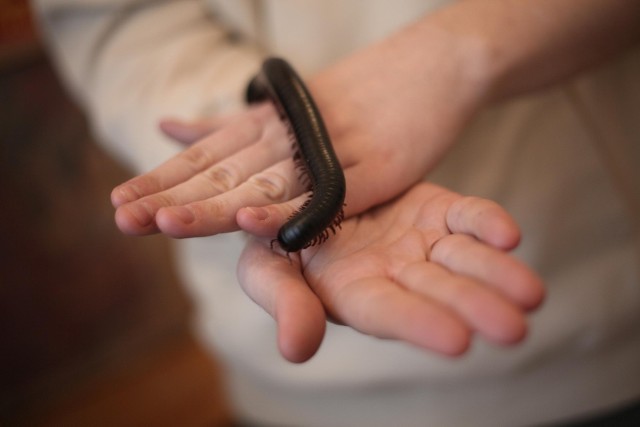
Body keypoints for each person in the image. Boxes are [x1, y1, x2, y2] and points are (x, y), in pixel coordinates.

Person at [32, 0, 640, 426]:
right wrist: (237, 119)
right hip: (289, 393)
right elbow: (115, 18)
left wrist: (463, 46)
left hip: (602, 333)